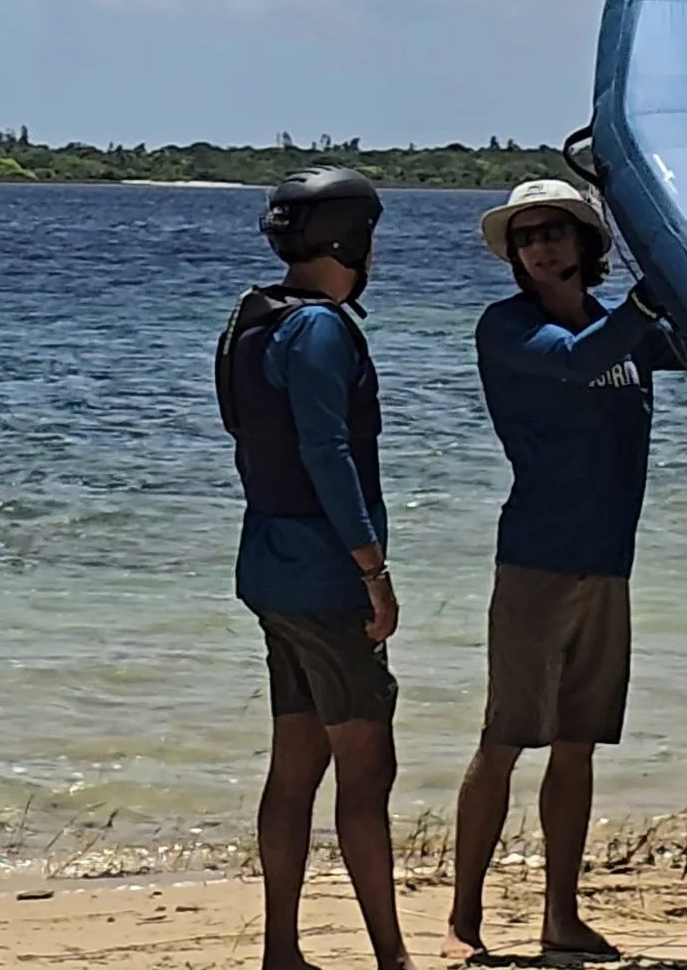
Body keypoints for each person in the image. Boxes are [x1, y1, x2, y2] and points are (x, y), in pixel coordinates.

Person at [443, 178, 685, 964]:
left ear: (587, 245)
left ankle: (561, 916)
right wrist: (650, 304)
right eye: (525, 236)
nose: (540, 245)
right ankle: (465, 910)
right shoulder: (507, 326)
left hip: (609, 564)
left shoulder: (626, 331)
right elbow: (582, 360)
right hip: (536, 562)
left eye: (554, 230)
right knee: (508, 737)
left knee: (578, 743)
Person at [214, 165, 416, 970]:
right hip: (326, 573)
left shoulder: (250, 320)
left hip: (267, 562)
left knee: (295, 761)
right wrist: (373, 567)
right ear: (354, 240)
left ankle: (281, 950)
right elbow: (327, 453)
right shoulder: (323, 329)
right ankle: (393, 957)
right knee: (368, 768)